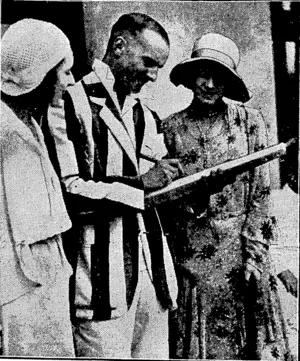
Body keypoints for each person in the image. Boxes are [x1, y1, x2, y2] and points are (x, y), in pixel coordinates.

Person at [44, 12, 181, 359]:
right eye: (148, 62)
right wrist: (139, 186)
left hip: (153, 279)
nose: (153, 75)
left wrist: (185, 184)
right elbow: (68, 192)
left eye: (159, 67)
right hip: (101, 282)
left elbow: (158, 191)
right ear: (119, 46)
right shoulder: (68, 103)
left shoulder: (144, 114)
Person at [161, 33, 292, 360]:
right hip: (192, 258)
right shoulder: (170, 129)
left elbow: (261, 196)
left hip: (241, 255)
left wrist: (254, 256)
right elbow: (166, 202)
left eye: (219, 77)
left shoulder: (251, 123)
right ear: (191, 76)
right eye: (203, 74)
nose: (208, 84)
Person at [0, 19, 75, 356]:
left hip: (46, 277)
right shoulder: (3, 131)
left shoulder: (29, 122)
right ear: (40, 74)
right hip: (17, 285)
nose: (69, 82)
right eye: (65, 72)